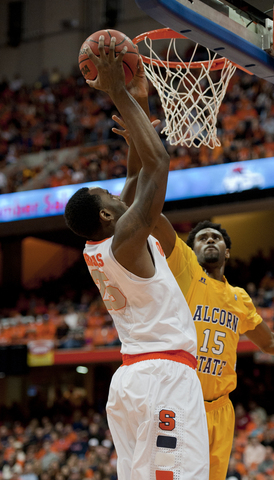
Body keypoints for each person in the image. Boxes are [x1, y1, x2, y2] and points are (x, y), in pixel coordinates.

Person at [112, 62, 274, 480]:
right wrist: (139, 133)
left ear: (227, 248)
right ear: (188, 250)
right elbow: (142, 210)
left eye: (215, 238)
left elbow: (273, 342)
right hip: (179, 399)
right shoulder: (184, 268)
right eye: (201, 237)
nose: (208, 241)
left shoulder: (239, 298)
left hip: (221, 411)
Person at [64, 36, 209, 480]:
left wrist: (139, 103)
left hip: (135, 380)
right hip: (162, 377)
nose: (117, 190)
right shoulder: (126, 239)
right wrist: (118, 92)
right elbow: (157, 165)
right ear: (108, 215)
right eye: (108, 194)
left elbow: (136, 174)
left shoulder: (106, 242)